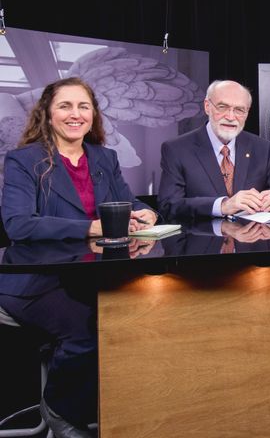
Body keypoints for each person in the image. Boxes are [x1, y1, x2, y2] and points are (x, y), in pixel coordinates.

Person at [1, 77, 158, 438]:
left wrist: (145, 213)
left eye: (83, 106)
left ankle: (132, 411)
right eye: (65, 106)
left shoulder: (105, 157)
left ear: (93, 114)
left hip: (92, 273)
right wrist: (91, 228)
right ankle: (61, 411)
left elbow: (126, 201)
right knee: (90, 326)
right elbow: (18, 224)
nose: (76, 114)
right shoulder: (25, 160)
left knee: (141, 316)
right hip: (36, 278)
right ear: (48, 113)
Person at [158, 80, 270, 221]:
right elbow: (168, 206)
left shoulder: (262, 148)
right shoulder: (176, 149)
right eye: (222, 107)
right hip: (201, 239)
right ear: (207, 107)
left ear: (247, 113)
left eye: (239, 110)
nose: (231, 117)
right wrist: (223, 206)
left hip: (251, 239)